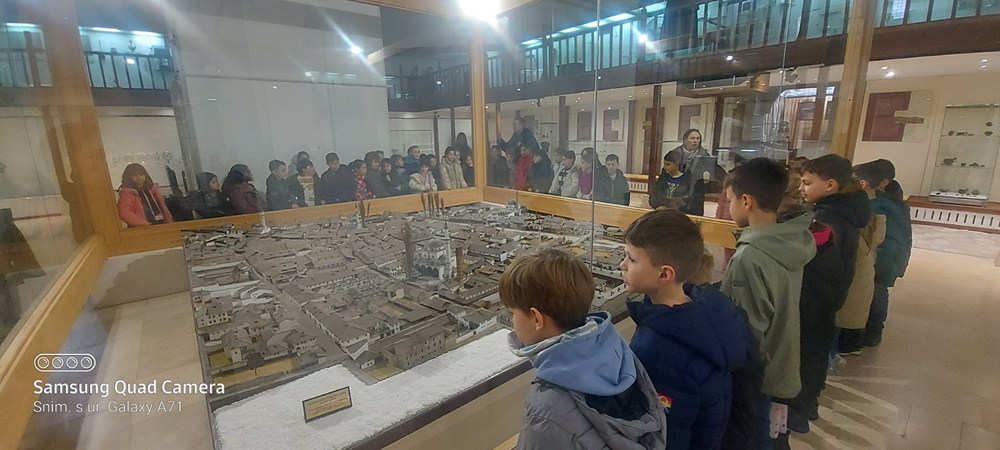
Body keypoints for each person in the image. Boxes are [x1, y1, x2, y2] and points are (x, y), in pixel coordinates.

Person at [501, 249, 667, 450]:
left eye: (513, 313)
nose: (512, 322)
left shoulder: (546, 406)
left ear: (537, 318)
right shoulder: (619, 352)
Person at [621, 209, 756, 450]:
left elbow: (666, 433)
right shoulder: (709, 310)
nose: (622, 265)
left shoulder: (659, 350)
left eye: (631, 259)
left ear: (664, 273)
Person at [721, 158, 816, 447]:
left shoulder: (749, 257)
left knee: (754, 433)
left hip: (757, 375)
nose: (729, 207)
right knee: (771, 433)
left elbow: (744, 333)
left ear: (746, 201)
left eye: (731, 200)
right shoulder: (791, 239)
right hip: (781, 362)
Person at [863, 160, 912, 348]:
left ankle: (874, 332)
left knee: (877, 292)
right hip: (891, 256)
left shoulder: (881, 206)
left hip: (885, 257)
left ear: (884, 182)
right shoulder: (894, 201)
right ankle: (872, 330)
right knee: (877, 291)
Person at [835, 176, 885, 357]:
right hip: (863, 285)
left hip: (849, 289)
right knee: (855, 316)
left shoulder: (842, 224)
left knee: (844, 318)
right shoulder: (867, 220)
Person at [117, 163, 174, 227]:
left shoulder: (153, 190)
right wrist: (143, 224)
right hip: (142, 227)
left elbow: (163, 207)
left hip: (161, 223)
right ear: (128, 178)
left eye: (141, 174)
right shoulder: (128, 194)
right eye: (134, 175)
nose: (138, 177)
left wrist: (169, 221)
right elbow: (125, 213)